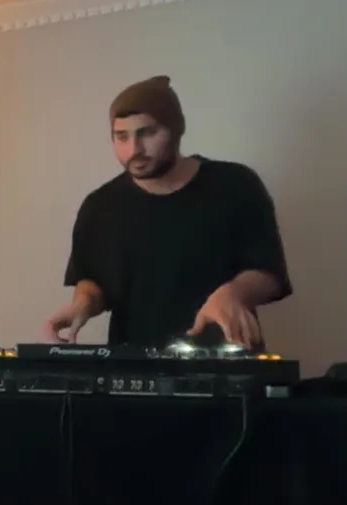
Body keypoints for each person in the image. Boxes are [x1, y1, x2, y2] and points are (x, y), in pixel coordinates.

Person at [43, 75, 291, 350]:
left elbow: (269, 274)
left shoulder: (235, 185)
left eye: (147, 133)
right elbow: (95, 281)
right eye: (121, 136)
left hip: (224, 363)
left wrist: (234, 293)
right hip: (135, 366)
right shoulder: (99, 206)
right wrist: (83, 303)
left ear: (176, 129)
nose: (134, 149)